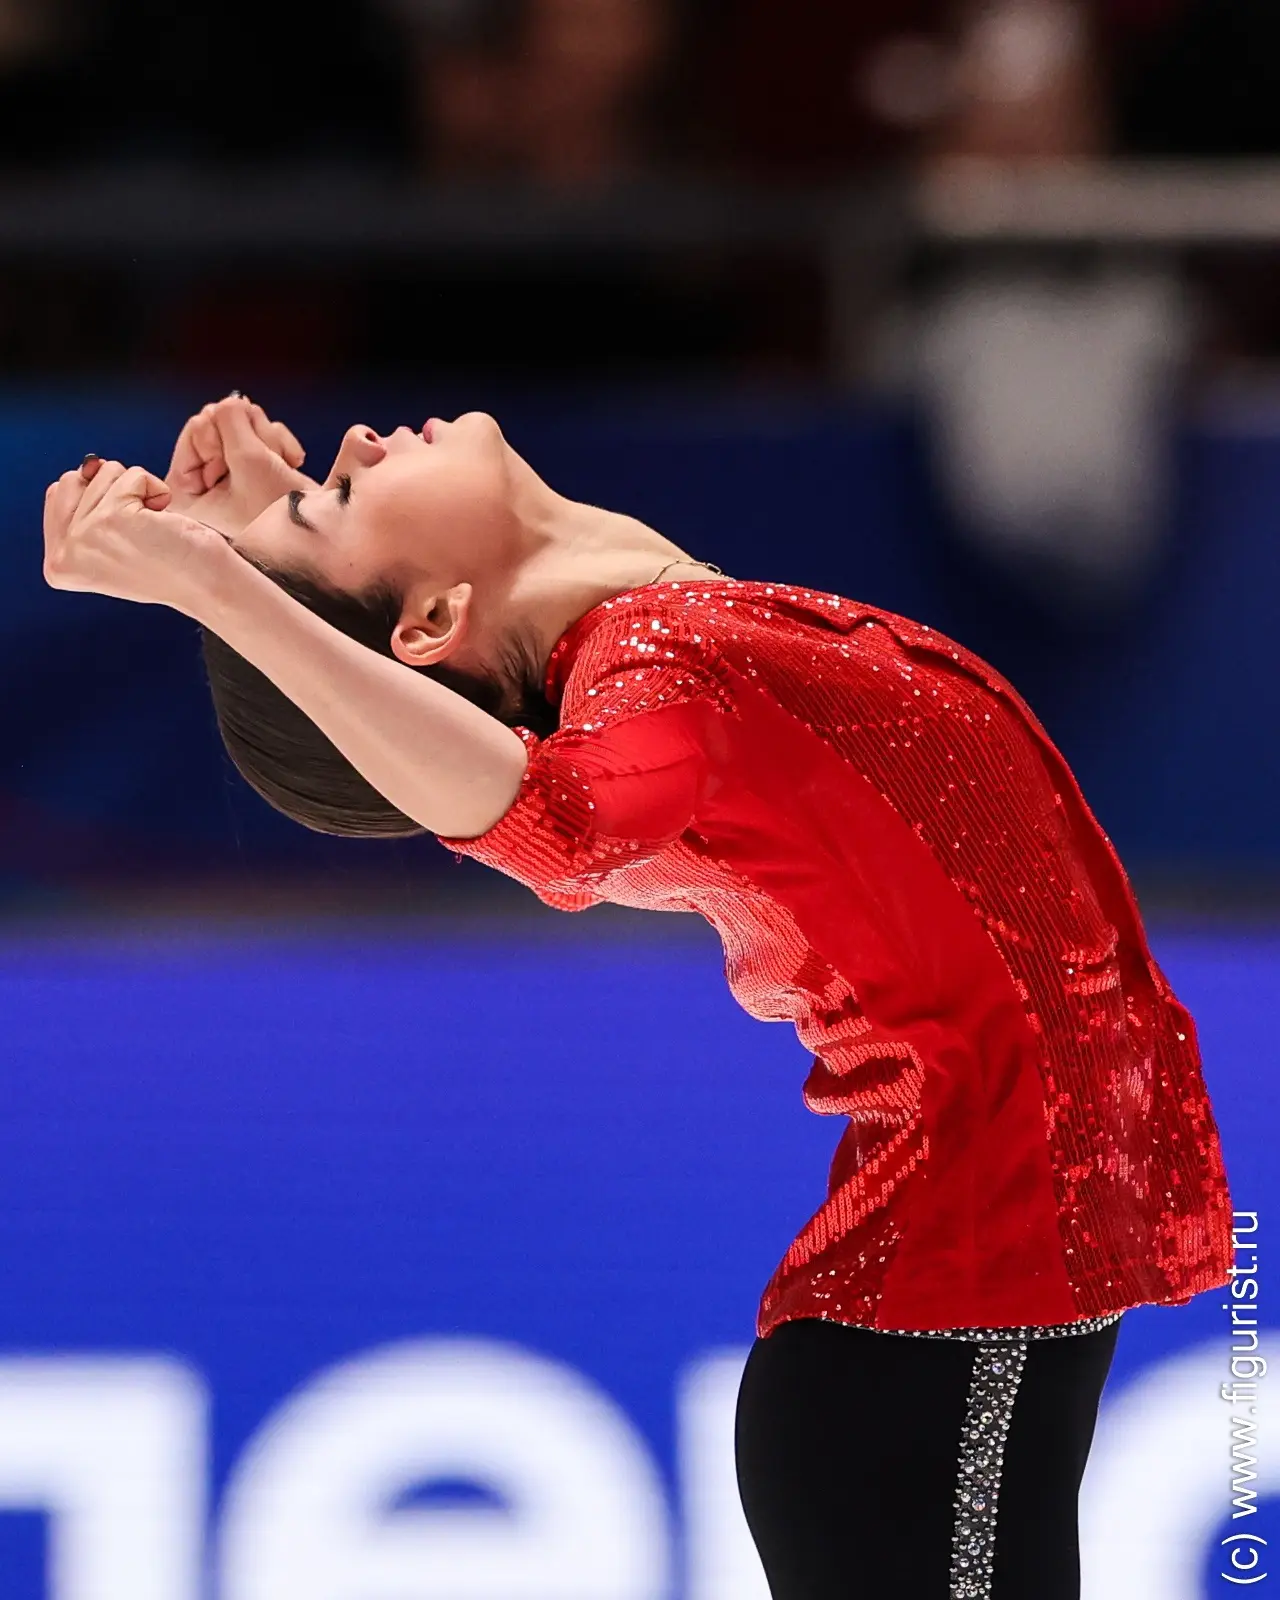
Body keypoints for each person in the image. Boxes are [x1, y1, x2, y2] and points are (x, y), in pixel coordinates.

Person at [43, 395, 1233, 1600]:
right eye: (340, 493)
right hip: (932, 1327)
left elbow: (542, 585)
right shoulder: (651, 687)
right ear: (433, 620)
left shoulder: (646, 622)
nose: (348, 442)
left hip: (934, 1329)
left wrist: (257, 527)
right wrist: (221, 585)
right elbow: (547, 817)